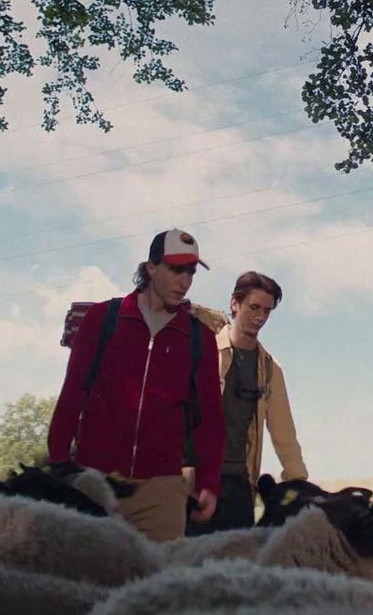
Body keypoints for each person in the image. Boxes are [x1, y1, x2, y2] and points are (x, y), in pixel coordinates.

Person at [47, 228, 226, 542]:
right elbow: (73, 392)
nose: (185, 281)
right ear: (151, 268)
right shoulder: (103, 319)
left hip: (162, 491)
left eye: (191, 272)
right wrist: (60, 461)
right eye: (176, 269)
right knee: (87, 581)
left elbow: (210, 419)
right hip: (95, 483)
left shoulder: (200, 338)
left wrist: (209, 482)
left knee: (157, 586)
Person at [187, 270, 308, 534]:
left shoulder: (269, 368)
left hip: (240, 483)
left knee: (237, 566)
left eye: (267, 311)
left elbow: (283, 431)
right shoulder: (203, 352)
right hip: (194, 480)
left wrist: (298, 481)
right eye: (254, 307)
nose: (260, 317)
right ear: (234, 303)